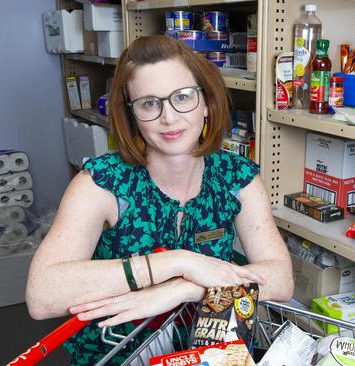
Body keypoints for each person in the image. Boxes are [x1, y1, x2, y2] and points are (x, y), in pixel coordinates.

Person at [26, 35, 293, 364]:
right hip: (116, 356)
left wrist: (184, 288)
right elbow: (42, 296)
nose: (168, 117)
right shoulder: (103, 183)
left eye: (183, 97)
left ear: (207, 102)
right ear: (132, 114)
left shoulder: (236, 177)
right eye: (149, 103)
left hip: (208, 356)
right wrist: (179, 262)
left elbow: (281, 279)